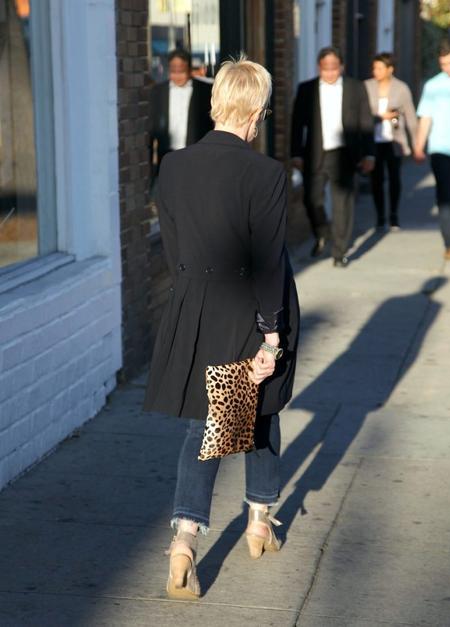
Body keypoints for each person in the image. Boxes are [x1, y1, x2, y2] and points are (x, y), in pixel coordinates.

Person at [144, 56, 299, 600]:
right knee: (258, 406)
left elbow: (171, 241)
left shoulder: (175, 165)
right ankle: (248, 522)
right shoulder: (265, 172)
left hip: (194, 303)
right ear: (256, 110)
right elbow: (267, 259)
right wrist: (271, 333)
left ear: (215, 103)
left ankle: (191, 536)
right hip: (247, 306)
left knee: (214, 418)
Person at [291, 46, 375, 267]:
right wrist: (296, 153)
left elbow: (366, 122)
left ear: (341, 67)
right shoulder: (306, 89)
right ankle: (322, 232)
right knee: (312, 200)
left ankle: (340, 251)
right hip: (314, 154)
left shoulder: (355, 88)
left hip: (344, 154)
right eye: (325, 68)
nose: (330, 72)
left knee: (342, 204)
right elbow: (297, 125)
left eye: (334, 68)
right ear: (319, 67)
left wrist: (369, 154)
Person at [414, 39, 450, 260]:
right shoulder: (433, 86)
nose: (446, 68)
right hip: (440, 148)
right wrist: (419, 146)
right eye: (443, 64)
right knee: (446, 196)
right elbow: (426, 118)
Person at [365, 52, 418, 231]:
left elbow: (411, 116)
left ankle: (393, 215)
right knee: (376, 180)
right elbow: (362, 116)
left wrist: (416, 143)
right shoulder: (366, 86)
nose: (375, 71)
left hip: (394, 141)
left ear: (390, 69)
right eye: (374, 68)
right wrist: (380, 117)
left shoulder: (401, 88)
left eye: (379, 68)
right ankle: (380, 216)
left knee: (395, 178)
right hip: (374, 141)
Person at [149, 49, 213, 173]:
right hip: (167, 155)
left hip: (197, 155)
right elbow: (152, 127)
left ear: (189, 69)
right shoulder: (158, 92)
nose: (177, 76)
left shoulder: (205, 91)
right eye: (174, 71)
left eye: (181, 71)